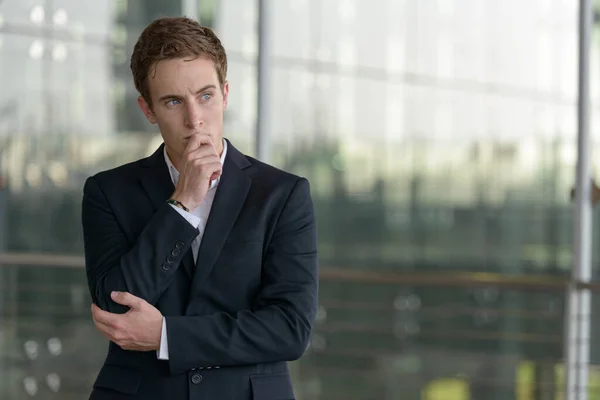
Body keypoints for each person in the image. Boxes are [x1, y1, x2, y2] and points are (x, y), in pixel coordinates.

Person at [81, 16, 318, 400]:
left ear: (225, 93)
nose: (195, 120)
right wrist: (183, 204)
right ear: (148, 110)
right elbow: (115, 309)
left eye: (205, 96)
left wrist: (166, 337)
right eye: (173, 101)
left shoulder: (283, 194)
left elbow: (289, 329)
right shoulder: (108, 192)